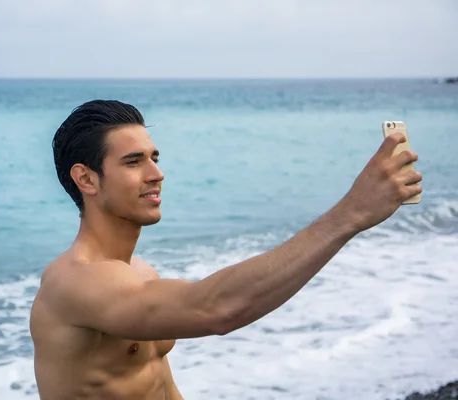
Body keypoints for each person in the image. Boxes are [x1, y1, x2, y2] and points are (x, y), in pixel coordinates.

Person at [29, 100, 423, 400]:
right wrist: (350, 214)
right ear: (86, 178)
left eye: (154, 157)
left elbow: (161, 387)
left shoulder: (141, 275)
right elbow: (216, 309)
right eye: (133, 162)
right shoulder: (74, 282)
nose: (156, 173)